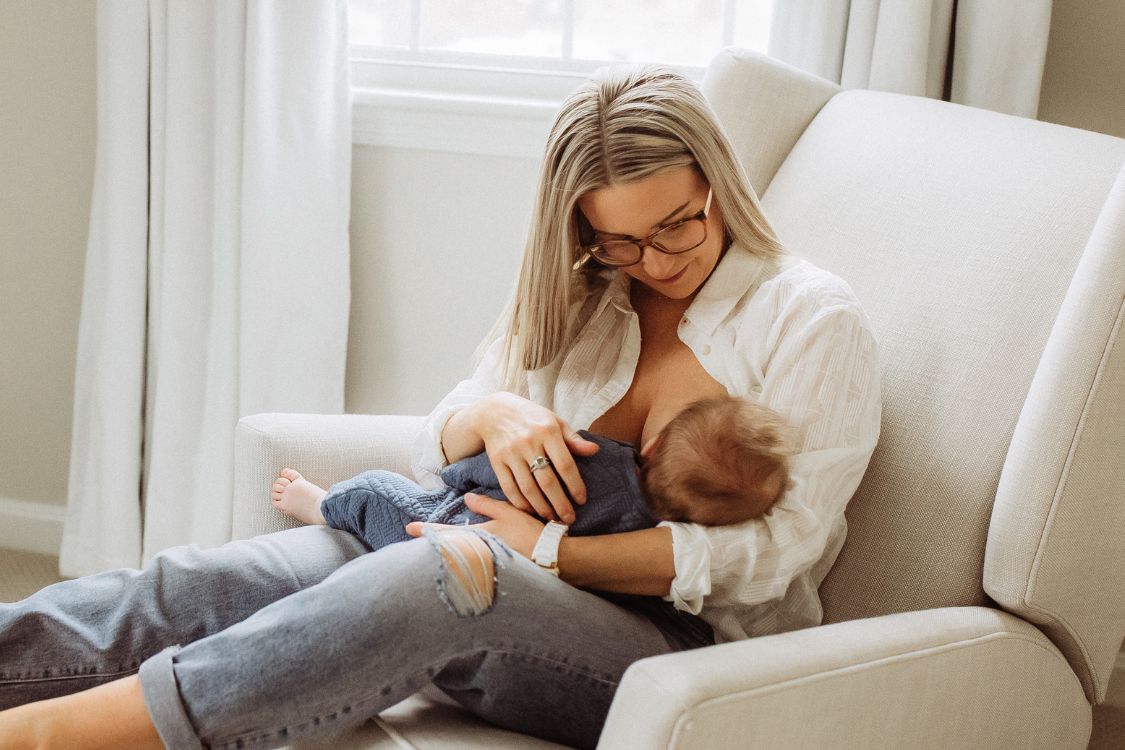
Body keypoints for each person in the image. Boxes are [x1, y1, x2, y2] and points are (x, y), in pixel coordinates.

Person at [0, 64, 880, 749]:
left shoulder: (808, 318)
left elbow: (777, 552)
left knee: (440, 575)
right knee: (202, 583)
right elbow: (439, 438)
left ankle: (54, 735)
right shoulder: (580, 288)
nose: (652, 260)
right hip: (483, 543)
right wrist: (489, 417)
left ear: (719, 183)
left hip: (677, 653)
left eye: (677, 223)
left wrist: (554, 554)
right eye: (618, 238)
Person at [273, 395, 794, 553]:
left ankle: (319, 505)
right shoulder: (650, 539)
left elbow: (481, 471)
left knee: (375, 491)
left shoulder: (592, 452)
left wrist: (458, 480)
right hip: (498, 563)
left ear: (652, 445)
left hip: (443, 529)